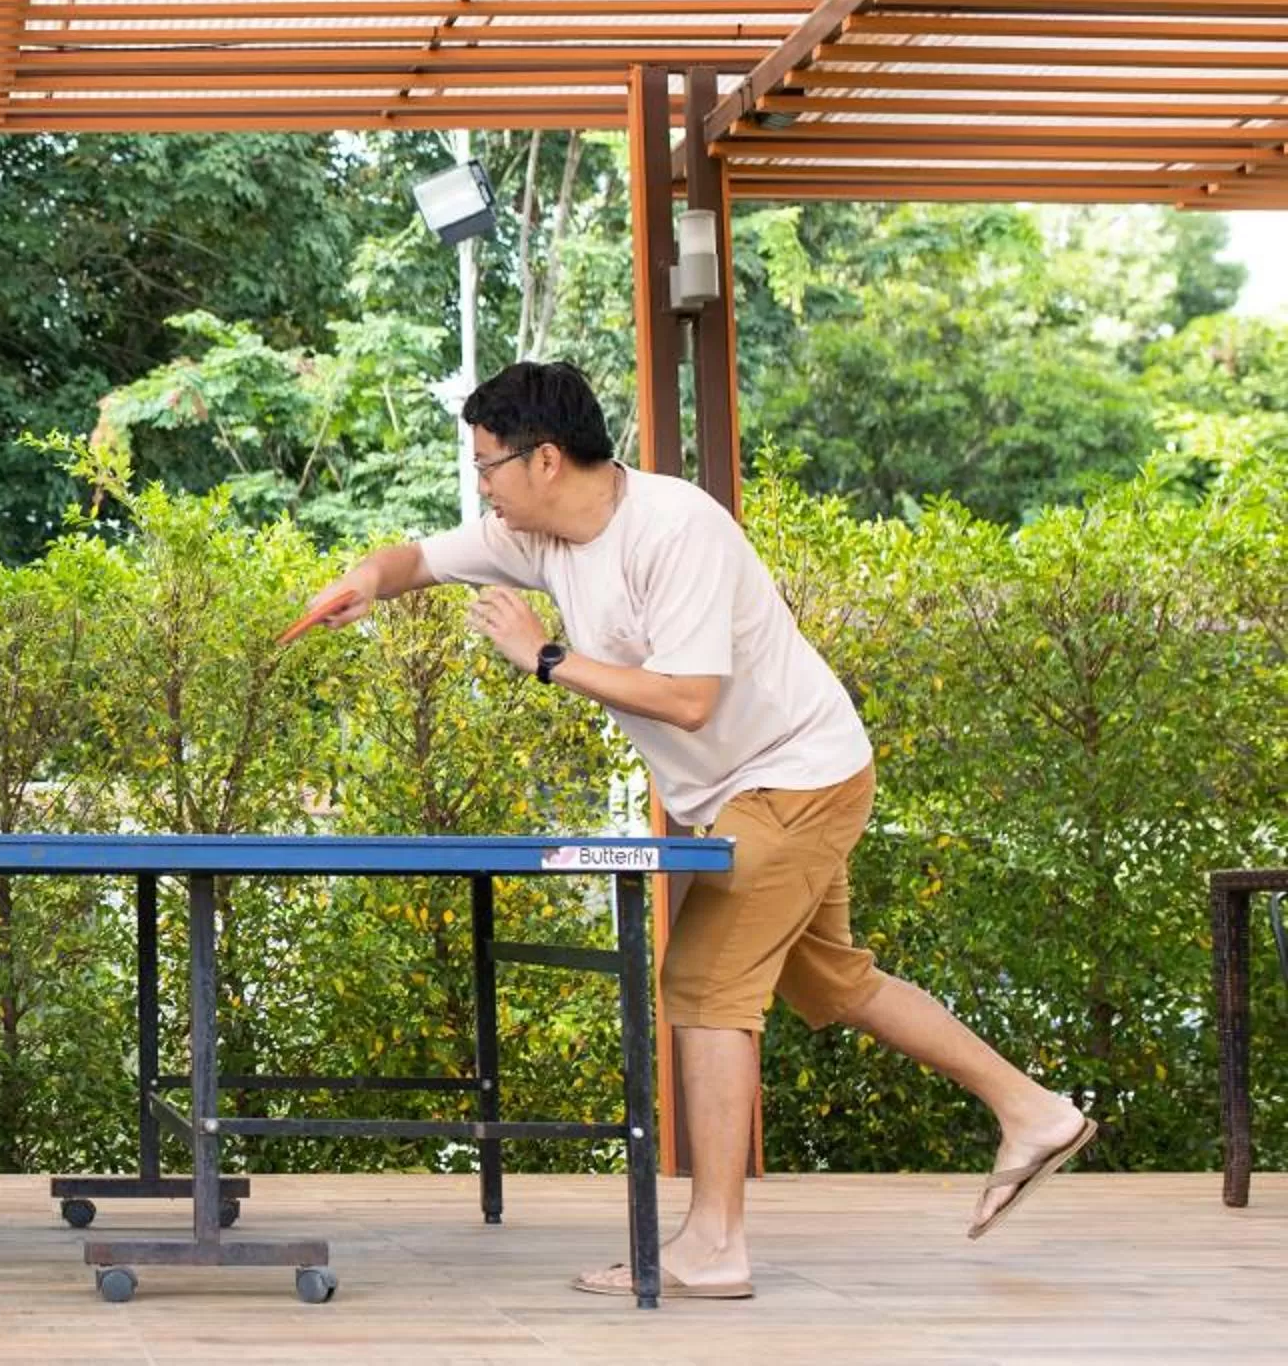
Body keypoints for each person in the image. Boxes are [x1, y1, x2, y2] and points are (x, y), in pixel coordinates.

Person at [300, 361, 1094, 1301]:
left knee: (706, 981)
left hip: (797, 775)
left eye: (486, 466)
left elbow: (687, 698)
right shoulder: (538, 534)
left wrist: (545, 657)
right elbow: (416, 561)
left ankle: (715, 1245)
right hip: (748, 788)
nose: (481, 486)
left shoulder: (674, 529)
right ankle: (1033, 1109)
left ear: (544, 459)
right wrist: (359, 583)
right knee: (833, 981)